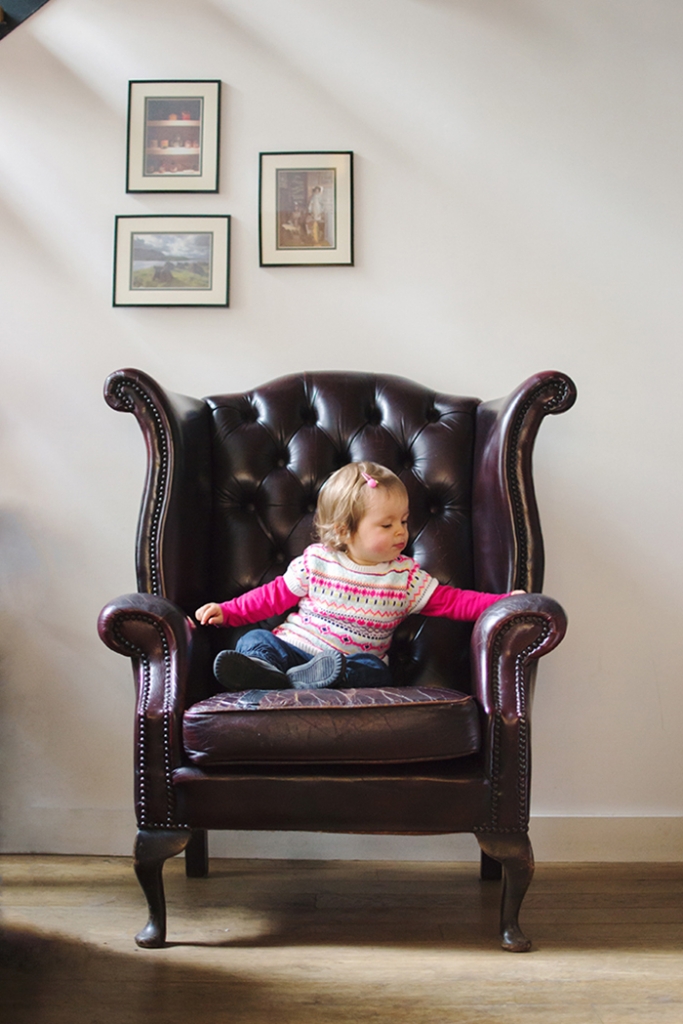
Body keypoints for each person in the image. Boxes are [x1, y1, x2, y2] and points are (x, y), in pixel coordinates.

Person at [195, 461, 523, 692]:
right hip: (294, 648)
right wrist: (228, 612)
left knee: (375, 670)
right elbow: (270, 597)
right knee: (254, 641)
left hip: (344, 663)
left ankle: (308, 681)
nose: (401, 532)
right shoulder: (318, 562)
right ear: (344, 530)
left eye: (404, 521)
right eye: (387, 524)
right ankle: (268, 673)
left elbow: (455, 601)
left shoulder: (405, 578)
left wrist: (500, 604)